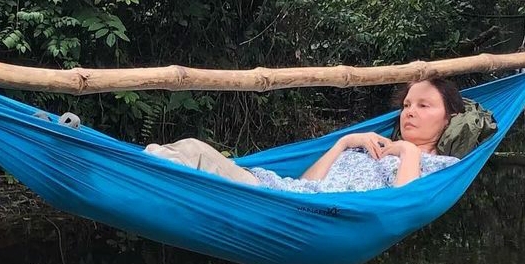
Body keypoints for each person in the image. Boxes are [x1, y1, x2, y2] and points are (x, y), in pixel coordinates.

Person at [144, 79, 468, 193]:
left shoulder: (442, 165)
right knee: (189, 150)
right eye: (407, 104)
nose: (409, 111)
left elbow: (405, 202)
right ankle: (131, 166)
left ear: (449, 118)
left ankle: (134, 169)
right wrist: (344, 142)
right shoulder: (369, 146)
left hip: (304, 213)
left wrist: (406, 151)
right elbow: (307, 182)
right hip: (284, 194)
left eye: (424, 105)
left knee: (192, 150)